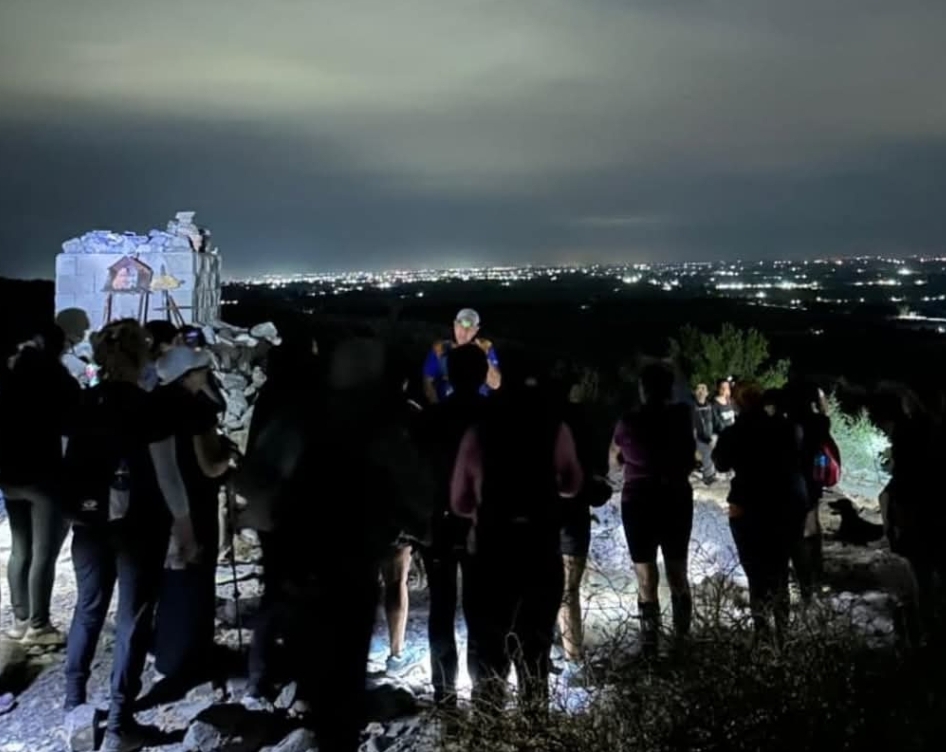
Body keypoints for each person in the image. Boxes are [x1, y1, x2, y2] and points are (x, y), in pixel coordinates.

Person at [61, 319, 198, 752]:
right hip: (139, 525)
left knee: (87, 609)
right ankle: (120, 723)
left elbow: (68, 461)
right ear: (142, 356)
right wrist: (185, 530)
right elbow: (168, 476)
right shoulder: (149, 406)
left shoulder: (84, 401)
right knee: (132, 620)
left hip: (88, 524)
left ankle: (73, 703)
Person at [452, 364, 583, 717]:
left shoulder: (479, 431)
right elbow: (573, 483)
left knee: (488, 647)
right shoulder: (555, 428)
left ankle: (488, 722)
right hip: (540, 548)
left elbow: (460, 501)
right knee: (535, 648)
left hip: (491, 552)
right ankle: (534, 724)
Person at [151, 346, 238, 685]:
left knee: (169, 581)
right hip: (195, 503)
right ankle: (194, 657)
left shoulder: (155, 402)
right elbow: (210, 465)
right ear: (188, 375)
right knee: (196, 578)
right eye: (203, 370)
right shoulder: (196, 409)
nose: (207, 375)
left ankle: (169, 654)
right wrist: (228, 456)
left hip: (159, 505)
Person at [415, 343, 489, 707]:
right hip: (483, 523)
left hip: (439, 522)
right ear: (482, 375)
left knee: (441, 605)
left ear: (449, 376)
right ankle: (485, 689)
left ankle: (444, 691)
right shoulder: (494, 416)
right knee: (483, 605)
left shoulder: (431, 418)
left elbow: (419, 472)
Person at [0, 323, 81, 646]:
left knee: (20, 548)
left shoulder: (9, 376)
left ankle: (19, 621)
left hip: (9, 475)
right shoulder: (57, 378)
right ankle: (39, 625)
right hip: (43, 475)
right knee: (43, 552)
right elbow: (74, 423)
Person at [610, 363, 696, 656]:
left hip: (639, 501)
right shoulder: (681, 417)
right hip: (674, 498)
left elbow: (614, 459)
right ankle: (682, 643)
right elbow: (689, 458)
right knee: (677, 572)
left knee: (646, 576)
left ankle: (650, 648)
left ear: (643, 390)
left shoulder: (628, 422)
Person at [713, 383, 808, 644]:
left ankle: (763, 634)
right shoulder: (784, 428)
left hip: (746, 507)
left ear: (737, 404)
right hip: (780, 506)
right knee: (779, 571)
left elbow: (720, 463)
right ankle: (783, 635)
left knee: (756, 575)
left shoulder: (735, 433)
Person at [556, 379, 612, 673]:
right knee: (569, 589)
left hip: (538, 514)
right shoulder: (585, 421)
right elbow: (599, 470)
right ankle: (573, 659)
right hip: (573, 511)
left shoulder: (532, 419)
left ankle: (539, 656)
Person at [422, 308, 501, 404]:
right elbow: (427, 382)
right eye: (460, 326)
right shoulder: (440, 349)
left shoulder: (484, 348)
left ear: (476, 330)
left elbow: (495, 384)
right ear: (454, 325)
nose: (464, 332)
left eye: (469, 329)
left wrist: (484, 355)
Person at [693, 383, 717, 485]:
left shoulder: (710, 406)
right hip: (699, 438)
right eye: (698, 389)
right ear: (695, 392)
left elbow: (715, 421)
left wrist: (714, 436)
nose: (701, 391)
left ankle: (711, 473)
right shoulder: (692, 408)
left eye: (703, 389)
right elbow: (694, 428)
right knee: (706, 450)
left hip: (710, 436)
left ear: (707, 393)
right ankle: (708, 477)